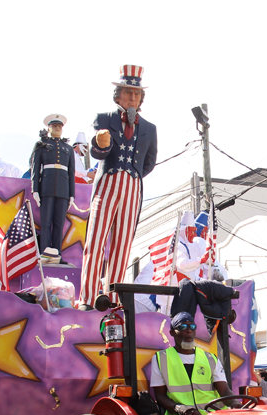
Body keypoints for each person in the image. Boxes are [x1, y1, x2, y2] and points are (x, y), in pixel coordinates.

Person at [79, 65, 158, 310]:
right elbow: (97, 151)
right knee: (96, 239)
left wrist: (132, 175)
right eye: (128, 93)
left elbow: (149, 162)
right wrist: (99, 143)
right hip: (107, 183)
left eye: (136, 94)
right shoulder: (104, 119)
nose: (132, 98)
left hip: (133, 187)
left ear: (141, 98)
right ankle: (88, 297)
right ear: (118, 95)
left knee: (122, 246)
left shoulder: (149, 128)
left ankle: (112, 298)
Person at [30, 114, 76, 256]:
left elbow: (71, 171)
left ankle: (57, 254)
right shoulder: (41, 145)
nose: (57, 128)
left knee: (59, 224)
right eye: (54, 126)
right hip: (46, 187)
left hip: (63, 189)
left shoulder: (68, 148)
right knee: (46, 223)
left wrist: (71, 194)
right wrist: (35, 189)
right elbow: (35, 168)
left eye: (59, 126)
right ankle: (44, 252)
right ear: (48, 128)